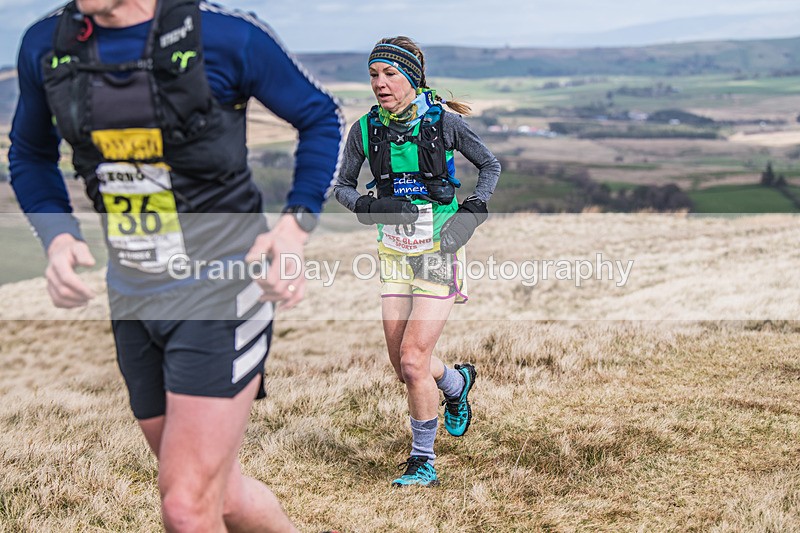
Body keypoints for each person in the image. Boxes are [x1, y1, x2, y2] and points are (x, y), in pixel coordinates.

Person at [9, 0, 343, 530]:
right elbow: (29, 152)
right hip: (134, 295)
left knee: (186, 506)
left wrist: (294, 226)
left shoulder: (228, 37)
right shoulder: (45, 45)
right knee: (222, 495)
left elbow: (320, 116)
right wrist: (57, 236)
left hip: (225, 286)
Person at [333, 36, 500, 487]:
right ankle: (456, 385)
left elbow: (490, 166)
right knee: (402, 364)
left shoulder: (443, 123)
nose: (380, 84)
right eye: (373, 75)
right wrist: (368, 208)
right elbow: (343, 187)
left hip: (439, 250)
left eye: (390, 74)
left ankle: (422, 461)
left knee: (412, 359)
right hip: (394, 254)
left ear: (413, 76)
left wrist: (471, 213)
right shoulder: (365, 130)